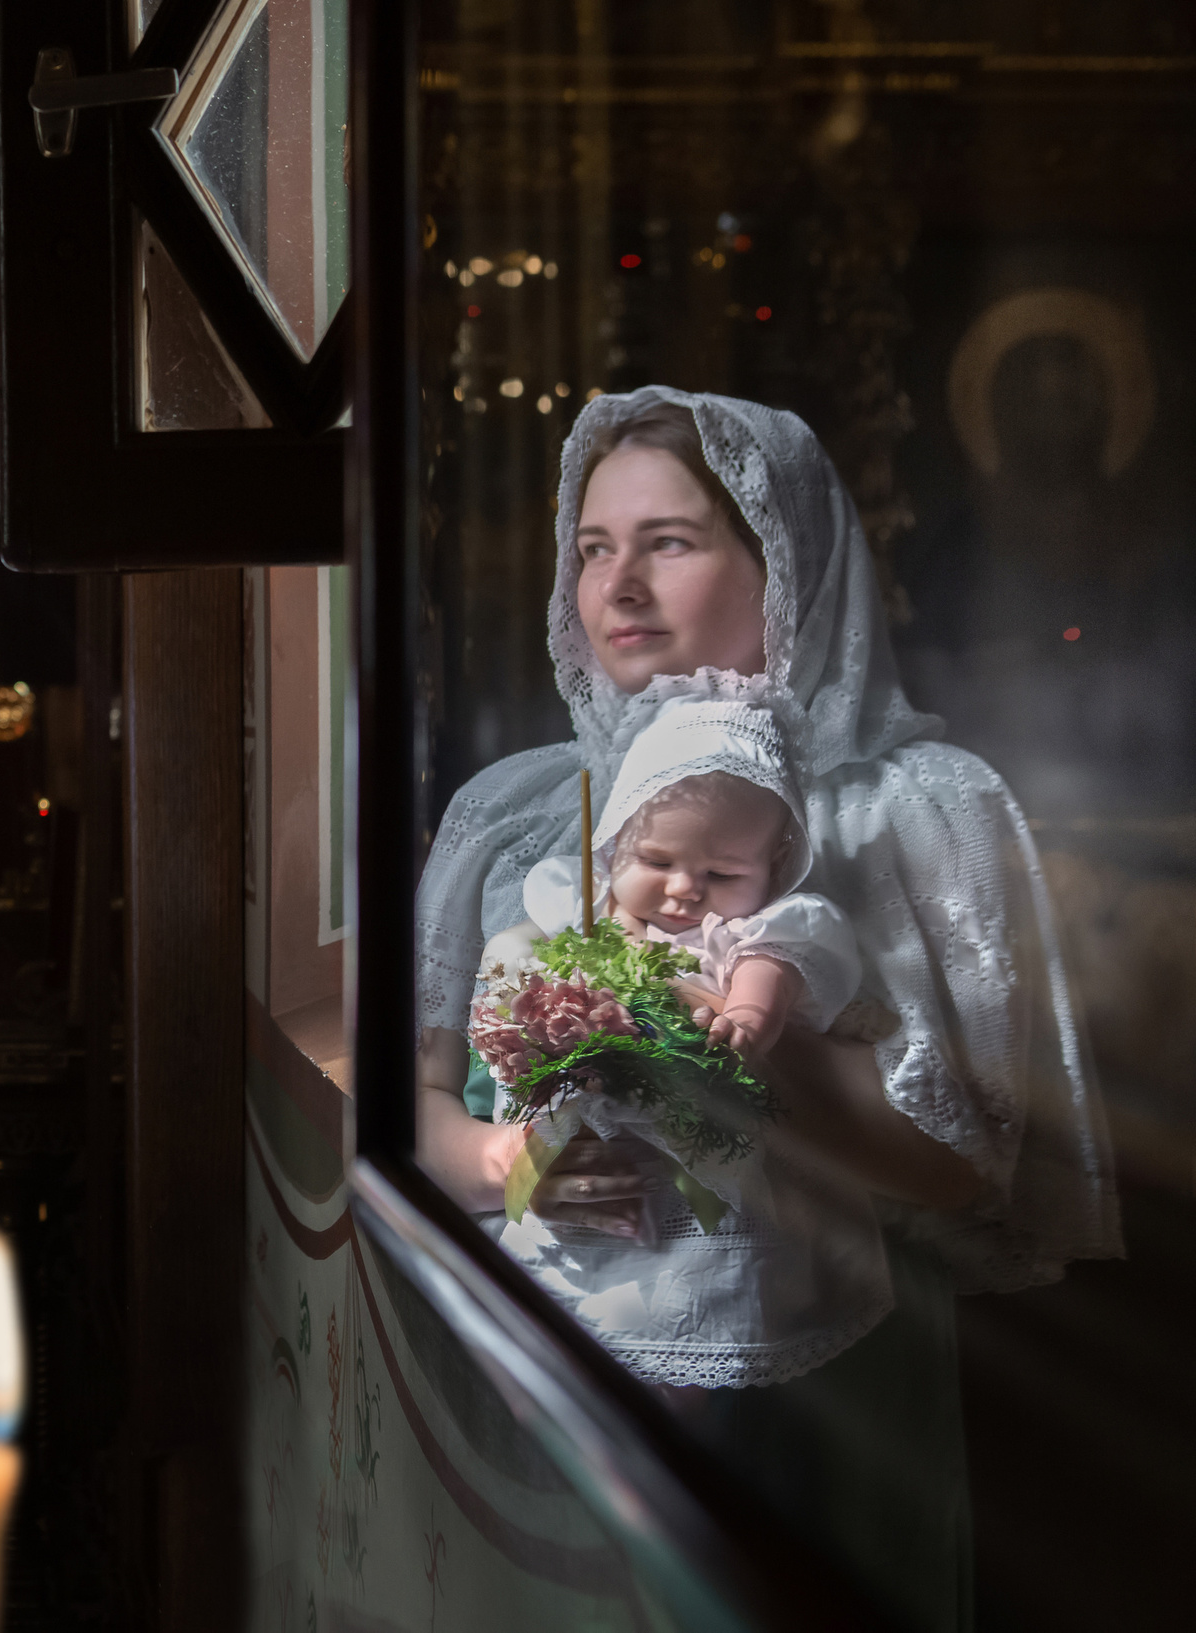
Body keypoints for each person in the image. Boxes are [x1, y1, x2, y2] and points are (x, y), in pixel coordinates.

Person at [413, 389, 1119, 1631]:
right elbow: (409, 1093)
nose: (618, 584)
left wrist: (708, 1031)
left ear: (783, 564)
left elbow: (965, 1163)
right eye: (592, 549)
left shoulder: (917, 811)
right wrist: (502, 1161)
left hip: (827, 1381)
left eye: (668, 542)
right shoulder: (516, 810)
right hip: (548, 1346)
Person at [460, 690, 892, 1393]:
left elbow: (766, 975)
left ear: (777, 862)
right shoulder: (583, 911)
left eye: (724, 872)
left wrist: (746, 1021)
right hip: (592, 1148)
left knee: (695, 1315)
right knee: (560, 1315)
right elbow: (532, 981)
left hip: (711, 1166)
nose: (686, 890)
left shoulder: (755, 931)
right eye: (658, 859)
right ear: (617, 840)